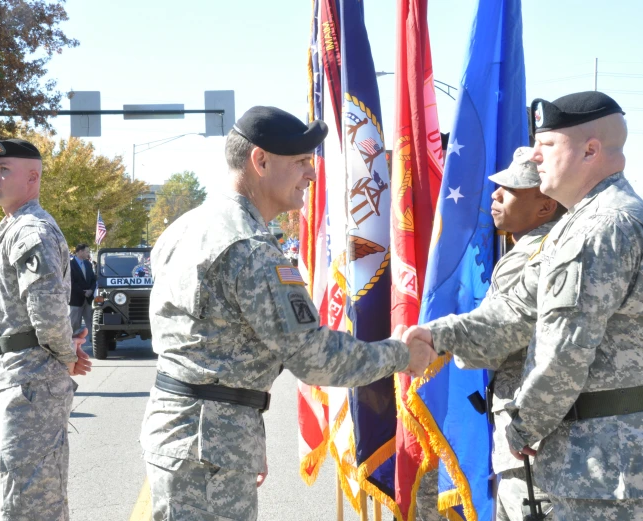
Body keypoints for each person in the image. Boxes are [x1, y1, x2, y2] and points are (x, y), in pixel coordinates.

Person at [140, 106, 436, 520]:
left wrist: (243, 438)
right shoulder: (250, 249)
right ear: (260, 161)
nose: (311, 175)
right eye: (300, 162)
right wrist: (402, 355)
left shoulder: (185, 227)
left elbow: (214, 345)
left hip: (196, 433)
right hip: (208, 443)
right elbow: (316, 358)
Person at [408, 91, 643, 519]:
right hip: (600, 464)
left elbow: (563, 350)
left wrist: (523, 426)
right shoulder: (585, 222)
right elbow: (515, 313)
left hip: (608, 467)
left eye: (547, 145)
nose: (535, 157)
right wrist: (435, 335)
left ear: (590, 150)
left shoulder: (601, 225)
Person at [0, 137, 93, 520]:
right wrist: (66, 350)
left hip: (32, 380)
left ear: (33, 176)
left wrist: (67, 355)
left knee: (30, 502)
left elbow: (46, 312)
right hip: (20, 375)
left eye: (3, 169)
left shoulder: (32, 231)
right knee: (25, 493)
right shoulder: (13, 228)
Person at [485, 147, 564, 520]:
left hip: (531, 438)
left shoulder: (535, 255)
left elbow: (495, 339)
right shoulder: (535, 248)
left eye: (509, 190)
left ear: (545, 207)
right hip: (526, 434)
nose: (495, 195)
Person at [69, 243, 96, 333]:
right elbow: (71, 282)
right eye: (87, 252)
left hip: (88, 300)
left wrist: (91, 290)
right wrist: (83, 292)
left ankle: (94, 343)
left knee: (92, 324)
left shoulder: (88, 264)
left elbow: (93, 279)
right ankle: (72, 345)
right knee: (74, 325)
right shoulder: (70, 265)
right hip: (76, 300)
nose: (88, 254)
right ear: (80, 252)